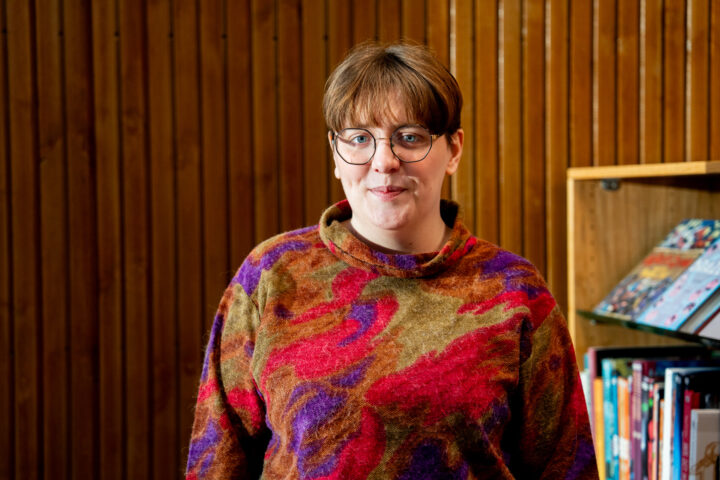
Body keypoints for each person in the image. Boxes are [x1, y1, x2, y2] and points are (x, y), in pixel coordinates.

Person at [185, 41, 598, 479]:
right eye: (360, 139)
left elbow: (566, 467)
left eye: (410, 137)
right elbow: (218, 460)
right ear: (336, 154)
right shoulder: (272, 274)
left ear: (454, 149)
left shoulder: (513, 290)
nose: (384, 161)